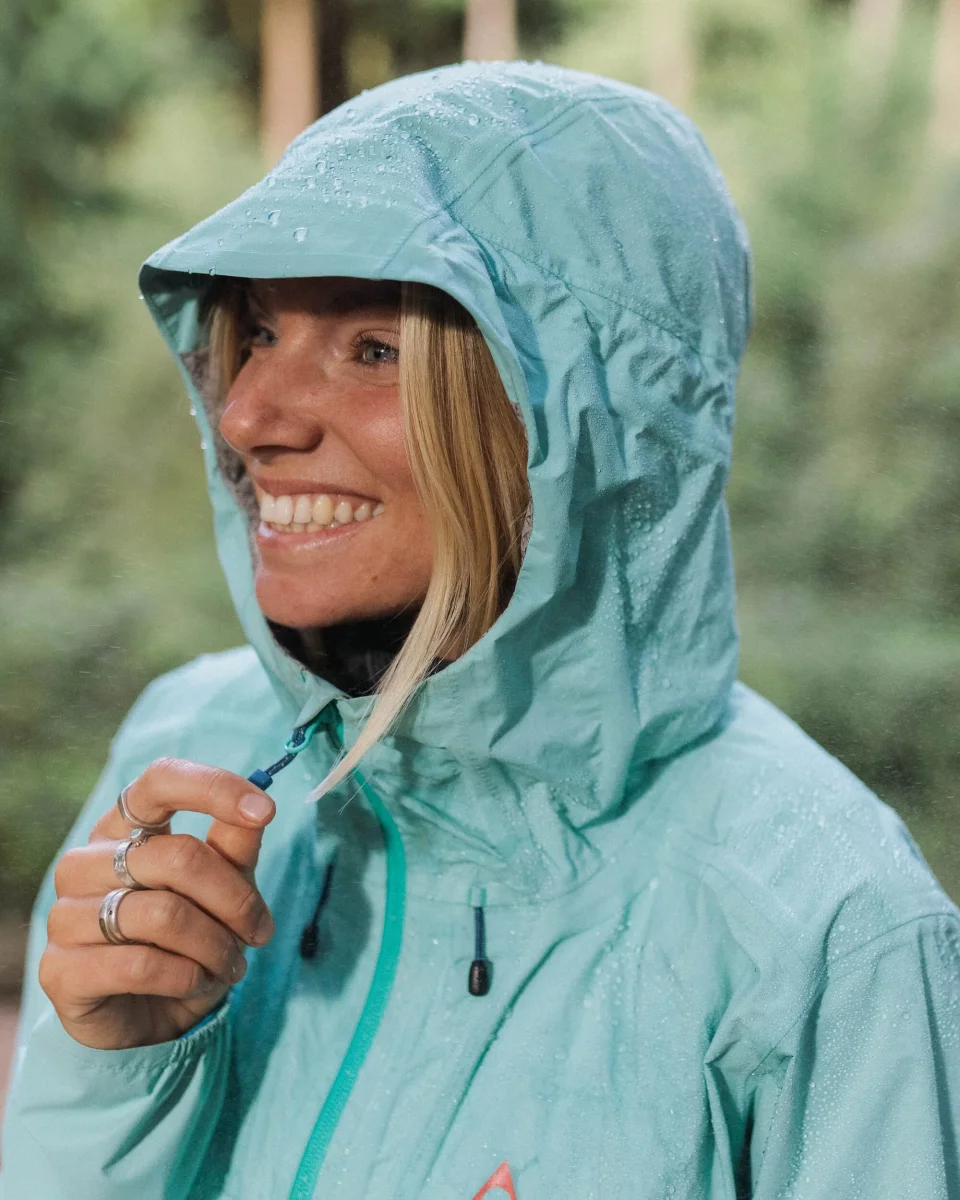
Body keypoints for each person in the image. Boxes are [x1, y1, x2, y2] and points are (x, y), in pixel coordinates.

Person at [1, 61, 958, 1200]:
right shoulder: (184, 756)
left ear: (595, 426)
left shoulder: (825, 923)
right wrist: (117, 1076)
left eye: (374, 348)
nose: (247, 415)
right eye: (255, 332)